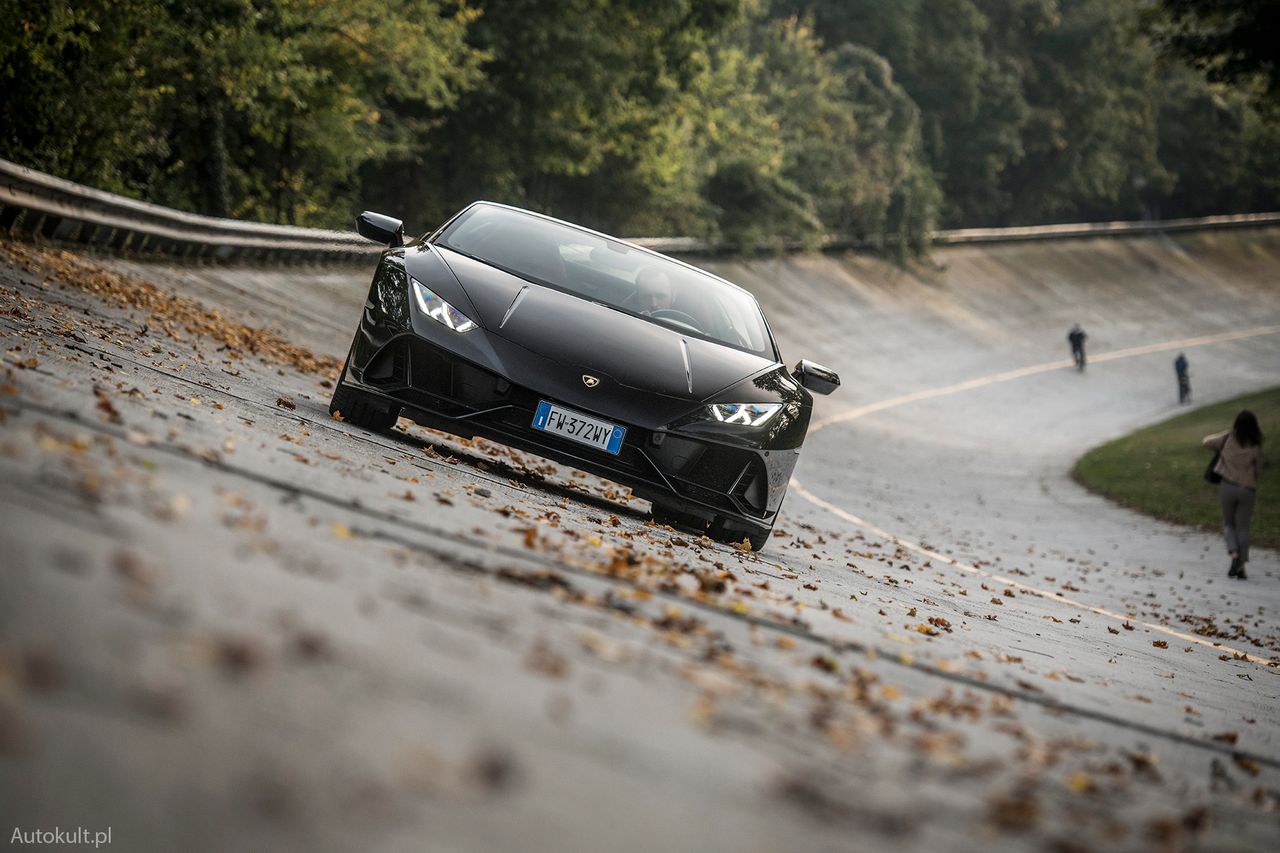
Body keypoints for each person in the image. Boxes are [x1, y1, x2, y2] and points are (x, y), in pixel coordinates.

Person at [1203, 410, 1264, 579]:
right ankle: (1242, 567)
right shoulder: (1256, 445)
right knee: (1243, 527)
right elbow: (1258, 469)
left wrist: (1225, 434)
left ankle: (1235, 555)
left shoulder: (1228, 439)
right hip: (1247, 489)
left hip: (1228, 486)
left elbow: (1206, 442)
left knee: (1229, 524)